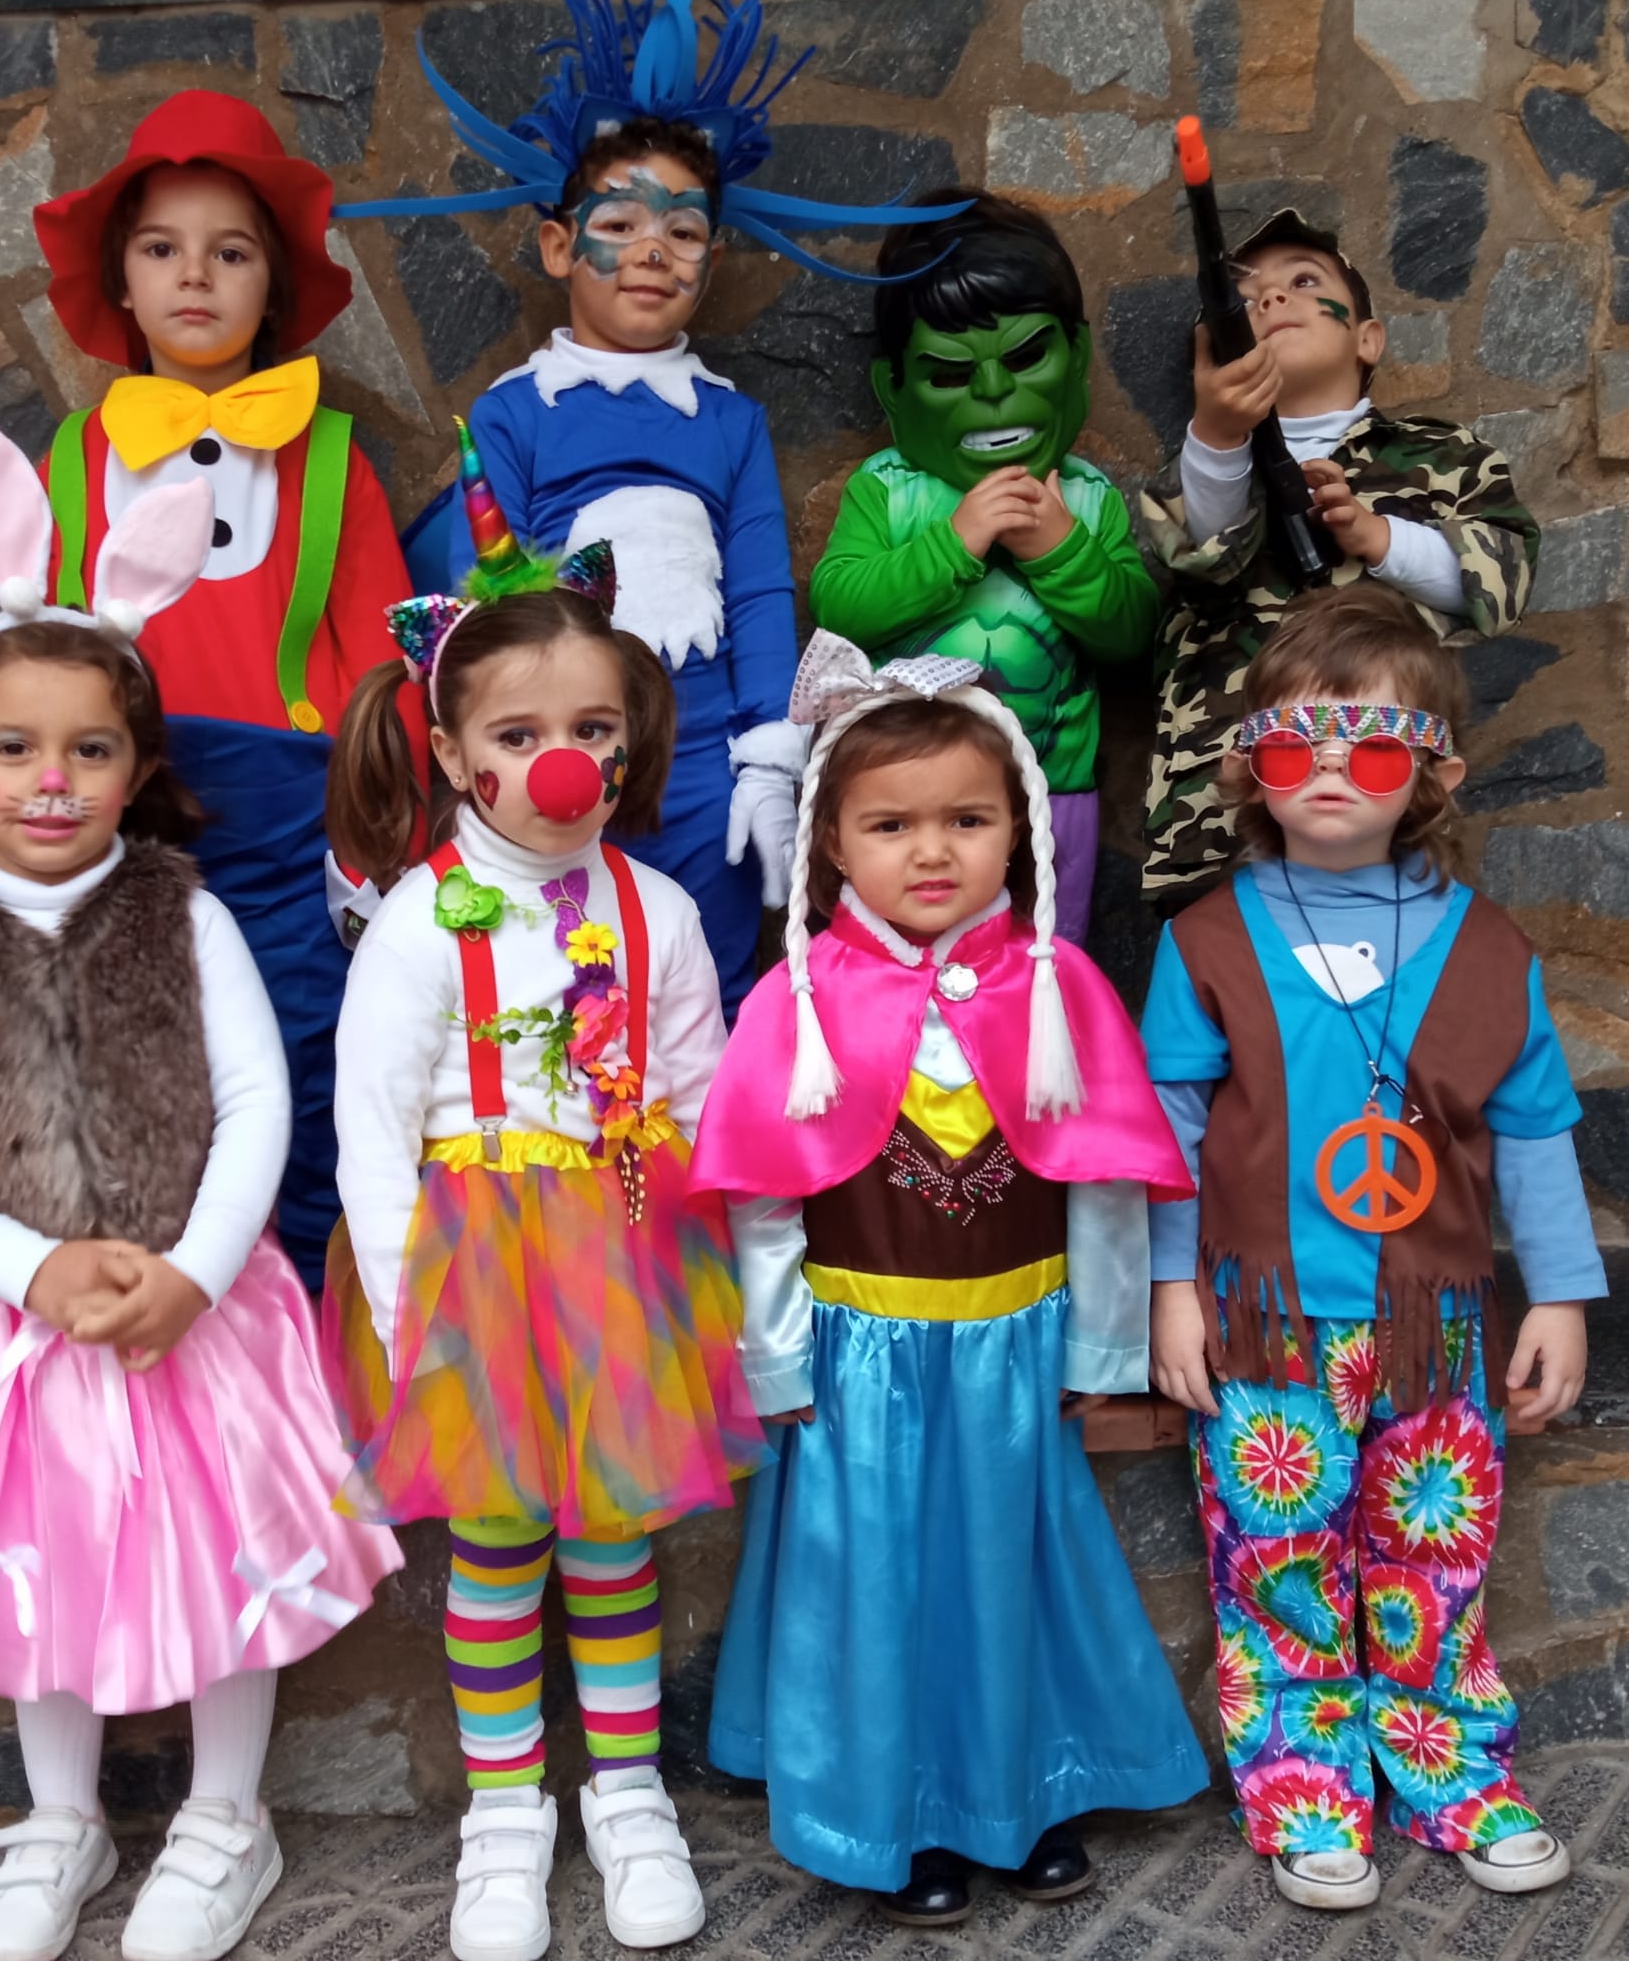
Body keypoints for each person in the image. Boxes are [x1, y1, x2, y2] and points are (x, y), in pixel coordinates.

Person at [0, 419, 401, 1961]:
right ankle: (62, 1817)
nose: (52, 779)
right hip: (16, 1331)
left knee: (224, 1559)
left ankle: (230, 1813)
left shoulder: (186, 914)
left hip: (192, 1317)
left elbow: (256, 1106)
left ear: (139, 765)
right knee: (46, 1565)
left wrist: (195, 1272)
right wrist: (30, 1271)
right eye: (13, 747)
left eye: (91, 748)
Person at [322, 465, 773, 1961]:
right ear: (453, 754)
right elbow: (374, 1133)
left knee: (614, 1537)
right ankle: (505, 1808)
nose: (562, 764)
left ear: (632, 742)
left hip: (628, 1258)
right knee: (503, 1539)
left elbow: (701, 1088)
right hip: (473, 1274)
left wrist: (707, 1268)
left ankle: (628, 1794)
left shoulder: (661, 909)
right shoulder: (416, 920)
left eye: (591, 731)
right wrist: (408, 1318)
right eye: (520, 736)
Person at [689, 630, 1208, 1924]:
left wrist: (1097, 1353)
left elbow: (1099, 1185)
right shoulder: (796, 1001)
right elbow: (764, 1204)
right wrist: (778, 1358)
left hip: (1009, 1357)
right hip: (864, 1361)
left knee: (1009, 1579)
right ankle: (893, 1817)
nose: (932, 852)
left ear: (1017, 827)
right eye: (892, 824)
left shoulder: (1058, 985)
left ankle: (1018, 1799)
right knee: (877, 1590)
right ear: (832, 845)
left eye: (967, 819)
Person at [338, 0, 966, 1015]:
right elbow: (488, 602)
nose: (651, 250)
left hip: (710, 756)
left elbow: (764, 590)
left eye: (681, 229)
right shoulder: (514, 413)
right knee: (561, 974)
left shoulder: (730, 421)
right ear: (556, 244)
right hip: (563, 750)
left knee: (707, 981)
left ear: (711, 259)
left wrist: (770, 760)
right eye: (617, 224)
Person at [1142, 586, 1601, 1910]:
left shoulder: (1492, 951)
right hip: (1261, 1332)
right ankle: (1303, 1784)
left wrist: (1561, 1295)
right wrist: (1170, 1287)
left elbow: (1532, 1133)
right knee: (1279, 1570)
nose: (1332, 772)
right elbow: (1169, 1135)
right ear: (1253, 768)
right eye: (1297, 745)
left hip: (1437, 1334)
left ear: (1433, 775)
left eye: (1375, 747)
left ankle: (1451, 1767)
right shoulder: (1208, 945)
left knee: (1435, 1567)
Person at [31, 87, 430, 1286]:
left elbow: (384, 661)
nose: (193, 276)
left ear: (276, 285)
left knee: (311, 1075)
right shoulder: (72, 460)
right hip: (132, 820)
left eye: (230, 251)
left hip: (297, 827)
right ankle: (169, 1374)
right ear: (121, 277)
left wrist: (391, 833)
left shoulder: (332, 457)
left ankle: (313, 1355)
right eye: (161, 248)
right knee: (141, 1080)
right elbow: (48, 654)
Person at [1142, 210, 1538, 908]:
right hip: (1224, 813)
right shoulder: (1205, 462)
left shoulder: (1444, 457)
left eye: (1302, 281)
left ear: (1367, 339)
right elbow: (1198, 558)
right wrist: (1217, 435)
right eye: (1246, 297)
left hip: (1386, 803)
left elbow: (1500, 582)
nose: (1270, 299)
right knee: (1225, 986)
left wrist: (1378, 539)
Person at [809, 193, 1162, 943]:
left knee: (1046, 983)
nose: (996, 393)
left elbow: (1130, 632)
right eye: (950, 371)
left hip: (1051, 798)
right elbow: (840, 603)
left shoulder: (1087, 498)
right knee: (893, 975)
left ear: (1076, 356)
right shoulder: (888, 488)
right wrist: (955, 542)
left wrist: (1060, 547)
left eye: (1028, 356)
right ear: (893, 386)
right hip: (900, 801)